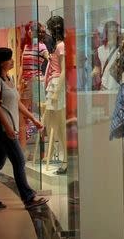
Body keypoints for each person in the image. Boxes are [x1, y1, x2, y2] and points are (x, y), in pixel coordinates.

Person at [0, 47, 48, 209]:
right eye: (9, 59)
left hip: (8, 128)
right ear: (1, 62)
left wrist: (32, 118)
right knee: (19, 160)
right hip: (3, 129)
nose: (12, 61)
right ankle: (28, 197)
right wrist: (7, 128)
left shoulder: (8, 79)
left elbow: (16, 103)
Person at [18, 21, 49, 159]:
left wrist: (47, 78)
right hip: (25, 82)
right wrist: (19, 83)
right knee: (22, 115)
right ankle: (23, 150)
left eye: (32, 30)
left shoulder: (41, 46)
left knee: (39, 115)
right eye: (28, 29)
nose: (30, 32)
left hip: (37, 82)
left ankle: (42, 152)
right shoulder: (25, 45)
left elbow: (50, 61)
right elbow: (21, 66)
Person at [43, 15, 67, 175]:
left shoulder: (61, 46)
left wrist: (57, 91)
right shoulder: (57, 45)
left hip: (57, 85)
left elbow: (64, 70)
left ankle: (66, 159)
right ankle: (58, 154)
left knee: (60, 123)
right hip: (53, 84)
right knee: (52, 123)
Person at [92, 20, 120, 91]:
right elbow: (97, 68)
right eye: (111, 31)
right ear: (106, 33)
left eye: (115, 31)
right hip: (104, 85)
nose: (113, 33)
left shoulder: (121, 49)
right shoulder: (100, 50)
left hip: (118, 86)